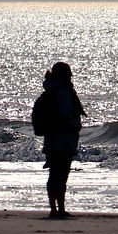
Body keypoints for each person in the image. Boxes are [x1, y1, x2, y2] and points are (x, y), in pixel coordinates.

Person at [30, 62, 86, 219]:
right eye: (68, 74)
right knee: (61, 174)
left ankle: (55, 208)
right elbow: (65, 115)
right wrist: (76, 125)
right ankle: (58, 209)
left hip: (51, 139)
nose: (70, 77)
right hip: (64, 139)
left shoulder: (51, 91)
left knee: (55, 174)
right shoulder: (62, 92)